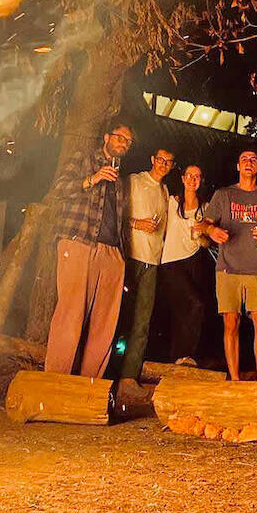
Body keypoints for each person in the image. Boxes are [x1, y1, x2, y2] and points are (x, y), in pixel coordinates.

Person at [46, 122, 133, 377]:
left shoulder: (120, 179)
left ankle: (89, 385)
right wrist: (92, 178)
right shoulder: (83, 159)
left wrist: (120, 253)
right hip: (79, 242)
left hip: (111, 252)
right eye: (119, 137)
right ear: (106, 137)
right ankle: (55, 381)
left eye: (127, 141)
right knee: (70, 314)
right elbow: (58, 190)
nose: (123, 143)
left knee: (105, 323)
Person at [198, 149, 257, 381]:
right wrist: (212, 229)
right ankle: (234, 380)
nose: (249, 163)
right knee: (231, 323)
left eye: (254, 159)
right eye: (244, 159)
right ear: (238, 166)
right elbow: (203, 224)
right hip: (228, 268)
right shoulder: (224, 195)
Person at [115, 147, 174, 388]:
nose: (163, 164)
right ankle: (106, 370)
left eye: (168, 162)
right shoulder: (134, 181)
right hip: (130, 256)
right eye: (160, 159)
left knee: (142, 321)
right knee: (118, 315)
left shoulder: (164, 190)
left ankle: (129, 376)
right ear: (152, 159)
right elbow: (117, 213)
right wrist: (136, 223)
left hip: (153, 261)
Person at [157, 163, 211, 363]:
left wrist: (200, 235)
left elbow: (207, 243)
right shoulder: (171, 202)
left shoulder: (205, 208)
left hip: (194, 260)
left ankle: (182, 358)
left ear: (201, 180)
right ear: (182, 178)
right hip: (171, 260)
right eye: (189, 175)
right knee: (194, 304)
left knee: (188, 308)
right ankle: (183, 354)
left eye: (197, 176)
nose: (192, 180)